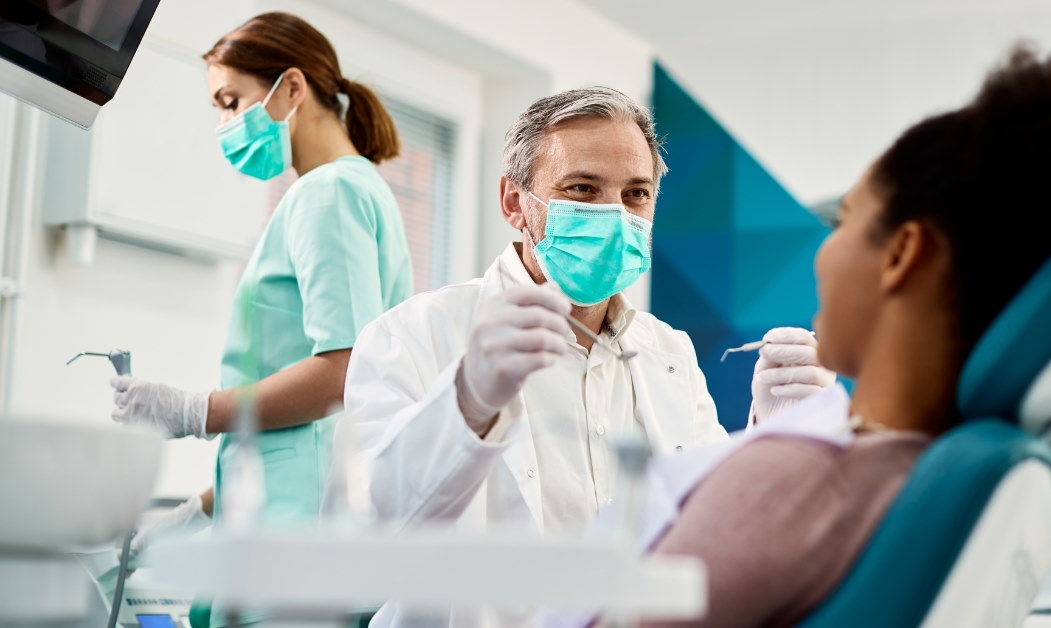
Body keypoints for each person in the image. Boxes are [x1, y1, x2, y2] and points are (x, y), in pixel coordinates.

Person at [556, 45, 1051, 628]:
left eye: (844, 221)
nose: (822, 254)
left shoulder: (792, 484)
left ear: (902, 254)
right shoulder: (928, 473)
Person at [322, 86, 835, 628]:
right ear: (514, 203)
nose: (613, 215)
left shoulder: (669, 352)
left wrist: (772, 440)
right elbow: (368, 538)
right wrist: (467, 403)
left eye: (636, 194)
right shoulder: (415, 333)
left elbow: (708, 539)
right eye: (582, 189)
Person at [107, 10, 412, 626]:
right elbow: (303, 438)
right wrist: (198, 510)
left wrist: (196, 411)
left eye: (231, 100)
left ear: (292, 88)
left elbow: (343, 373)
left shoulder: (329, 194)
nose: (225, 124)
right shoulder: (356, 190)